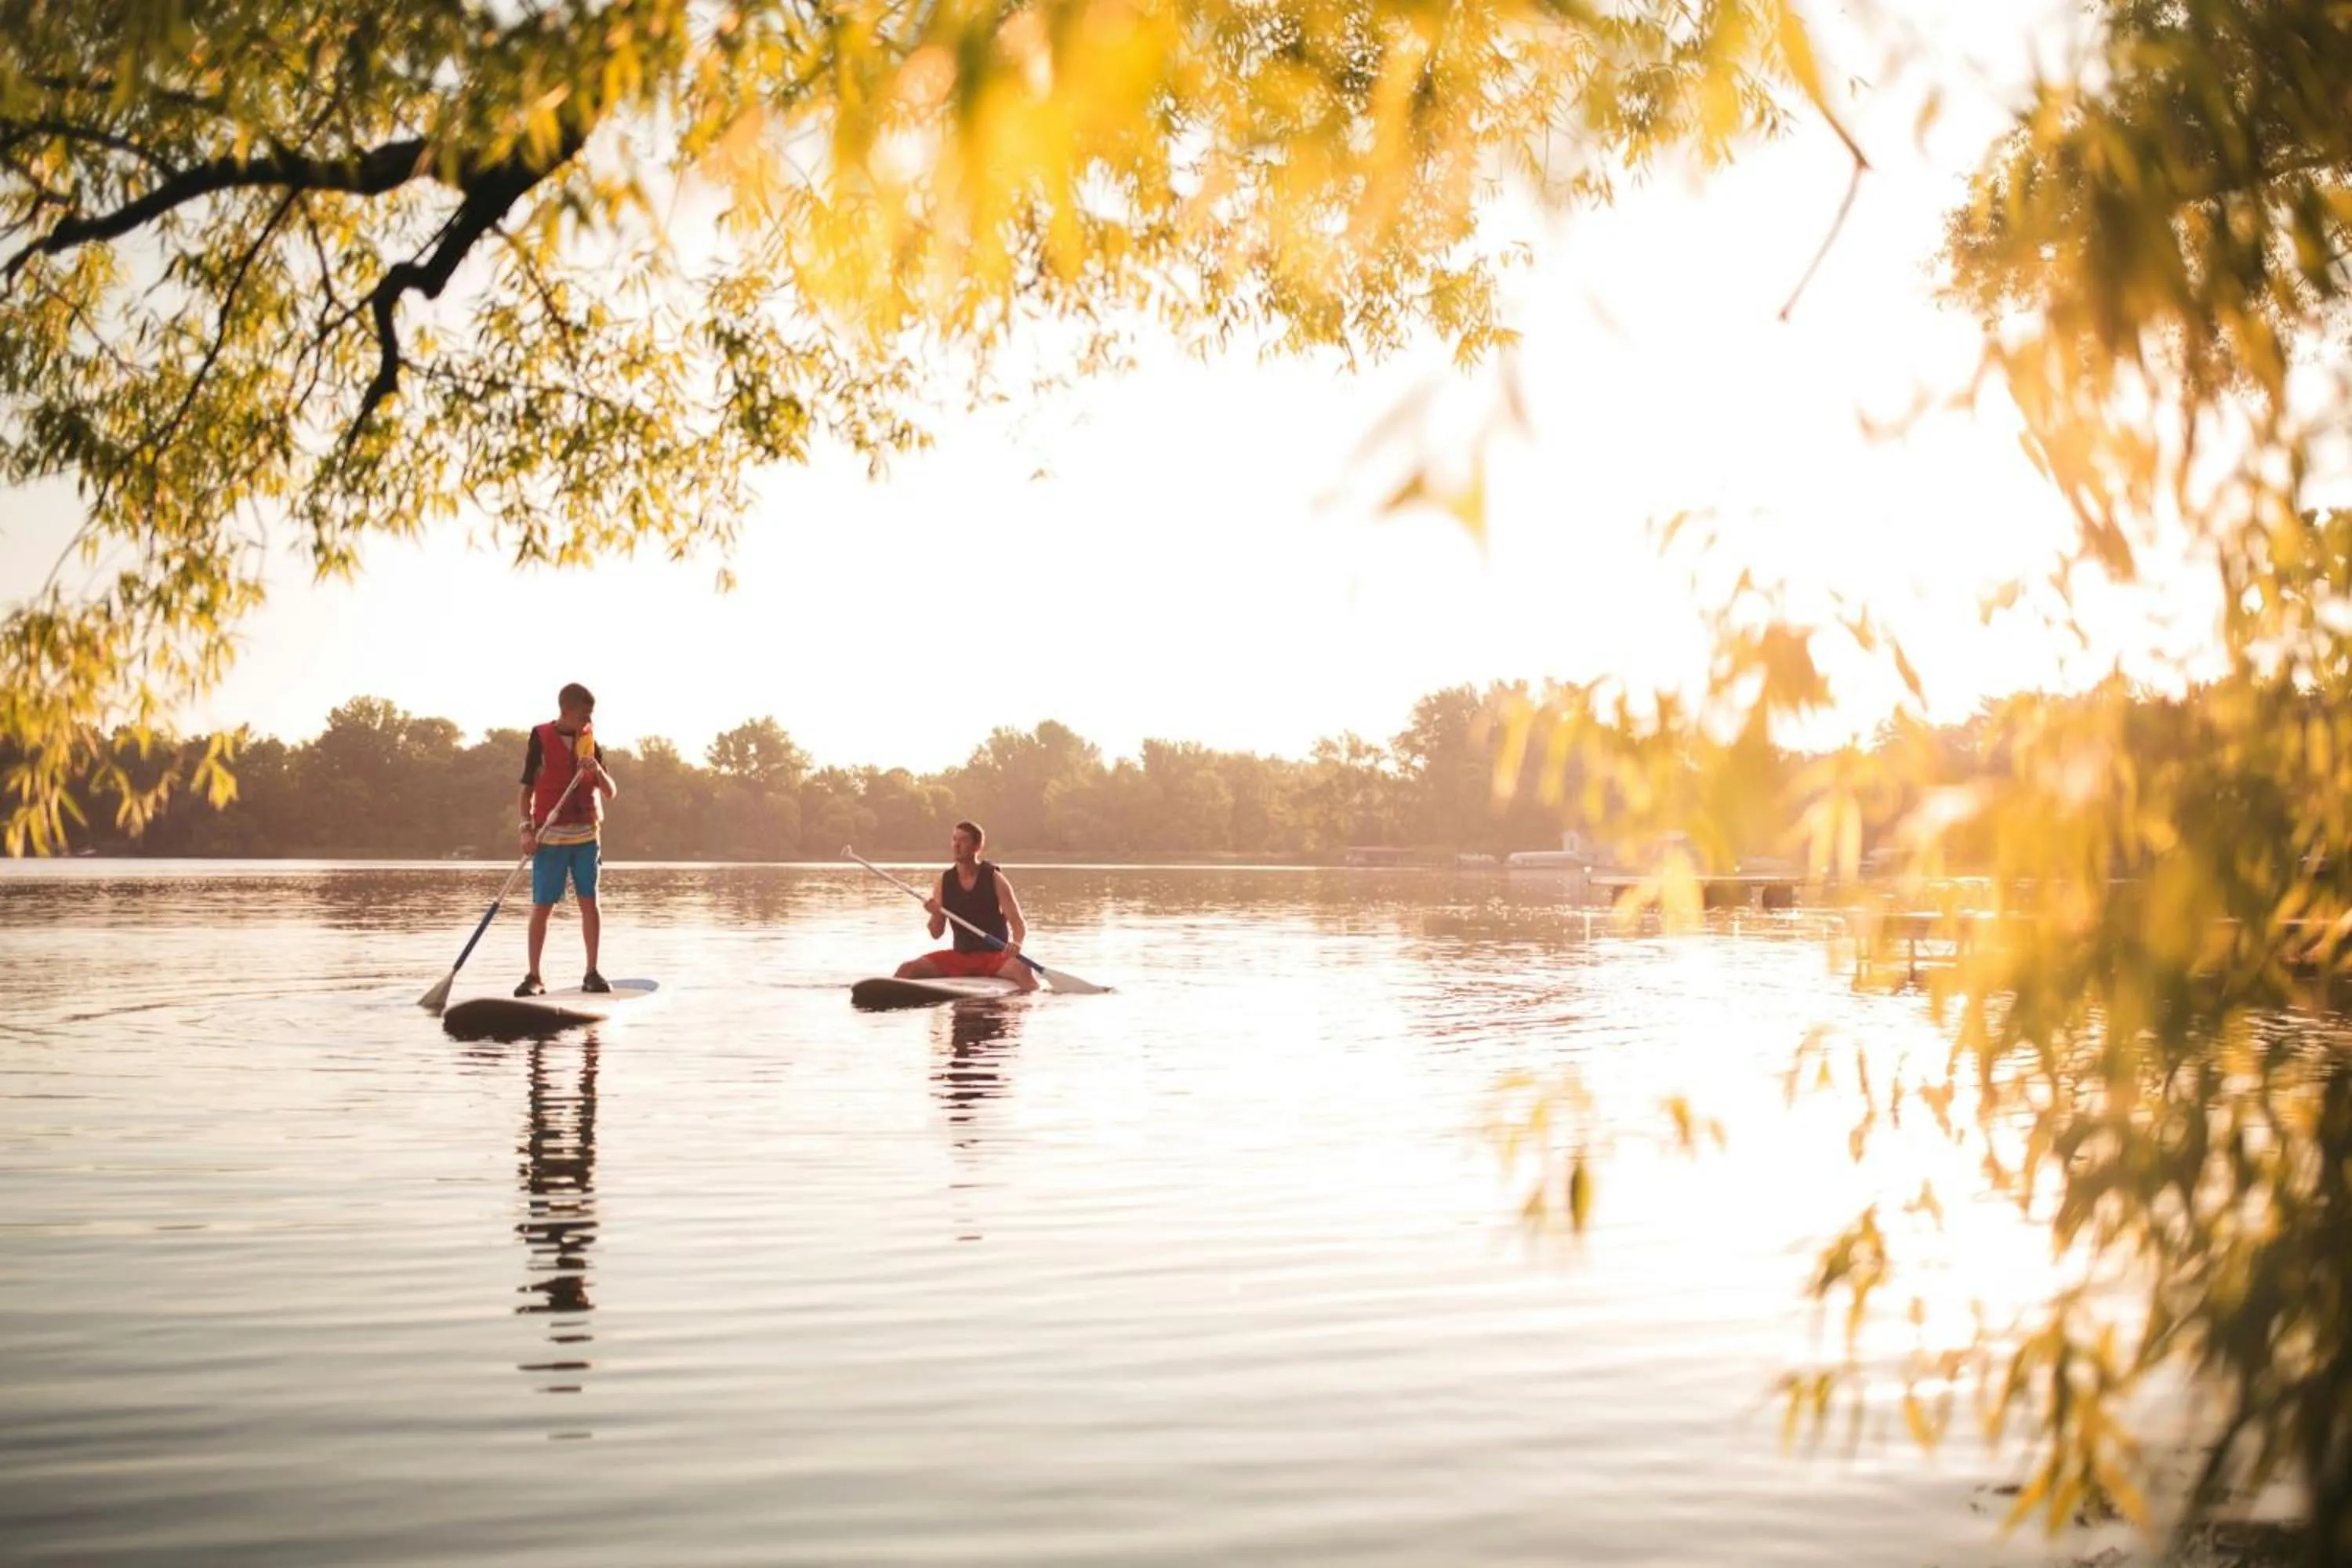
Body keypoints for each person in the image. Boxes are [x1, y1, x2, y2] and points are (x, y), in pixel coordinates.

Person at [515, 682, 619, 996]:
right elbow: (526, 791)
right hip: (550, 837)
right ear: (567, 711)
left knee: (590, 904)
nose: (588, 720)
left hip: (586, 836)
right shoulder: (540, 738)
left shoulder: (590, 741)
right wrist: (526, 829)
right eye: (584, 714)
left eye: (591, 715)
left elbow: (611, 792)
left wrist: (597, 770)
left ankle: (592, 973)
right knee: (542, 907)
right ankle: (534, 977)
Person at [894, 820, 1040, 993]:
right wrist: (936, 915)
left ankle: (1029, 1007)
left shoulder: (994, 878)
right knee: (907, 969)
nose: (956, 845)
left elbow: (1018, 923)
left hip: (994, 957)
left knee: (1023, 969)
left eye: (963, 840)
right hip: (960, 956)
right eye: (954, 839)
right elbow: (936, 934)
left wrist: (1016, 943)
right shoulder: (944, 881)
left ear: (977, 846)